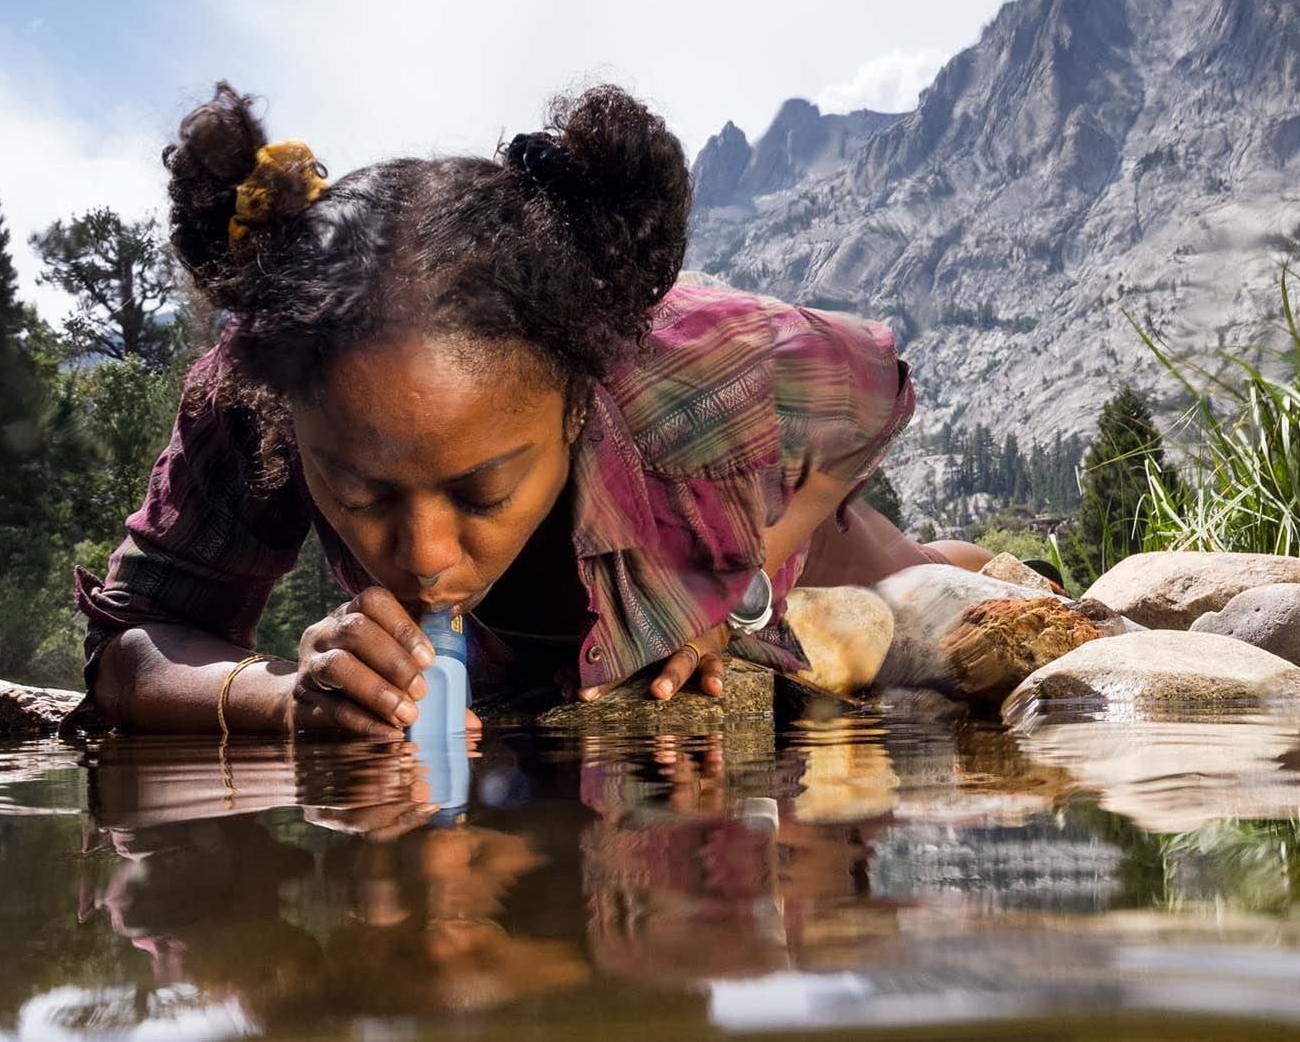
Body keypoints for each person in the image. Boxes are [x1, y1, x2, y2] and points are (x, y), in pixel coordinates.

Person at [78, 82, 945, 736]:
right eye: (361, 494)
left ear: (577, 402)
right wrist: (277, 696)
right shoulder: (262, 381)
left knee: (934, 588)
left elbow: (881, 390)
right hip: (532, 654)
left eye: (483, 491)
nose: (422, 558)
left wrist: (744, 588)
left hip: (752, 515)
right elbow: (130, 646)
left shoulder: (696, 358)